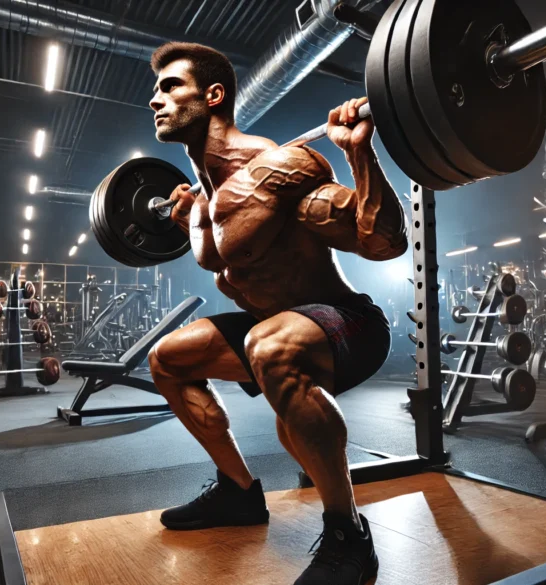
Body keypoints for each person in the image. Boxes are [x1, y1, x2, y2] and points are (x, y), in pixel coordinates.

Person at [146, 42, 407, 585]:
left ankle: (348, 537)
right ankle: (237, 492)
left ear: (214, 96)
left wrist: (360, 153)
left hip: (348, 321)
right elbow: (227, 257)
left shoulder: (280, 169)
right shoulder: (204, 199)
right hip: (279, 323)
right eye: (156, 90)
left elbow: (381, 242)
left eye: (171, 87)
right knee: (168, 358)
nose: (156, 99)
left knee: (271, 346)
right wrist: (185, 220)